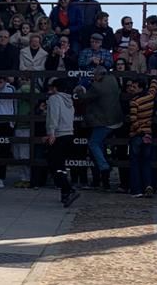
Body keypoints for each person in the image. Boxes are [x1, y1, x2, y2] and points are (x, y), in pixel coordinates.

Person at [81, 61, 124, 189]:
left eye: (94, 75)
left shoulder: (96, 87)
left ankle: (104, 167)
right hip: (117, 118)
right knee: (100, 145)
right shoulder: (113, 80)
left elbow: (84, 98)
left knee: (93, 143)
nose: (93, 78)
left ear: (98, 76)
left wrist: (79, 91)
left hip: (105, 121)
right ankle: (104, 173)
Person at [43, 77, 78, 207]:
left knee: (54, 165)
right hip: (69, 133)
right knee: (61, 165)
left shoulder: (54, 99)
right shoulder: (69, 100)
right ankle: (65, 193)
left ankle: (68, 188)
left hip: (58, 134)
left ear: (55, 88)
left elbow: (54, 116)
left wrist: (51, 132)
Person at [124, 76, 156, 197]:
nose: (132, 88)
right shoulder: (150, 97)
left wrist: (139, 131)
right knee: (146, 162)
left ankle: (137, 190)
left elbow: (133, 120)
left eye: (134, 87)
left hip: (137, 135)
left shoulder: (134, 102)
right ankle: (148, 185)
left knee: (135, 163)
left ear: (140, 88)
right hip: (148, 133)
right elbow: (153, 88)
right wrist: (153, 78)